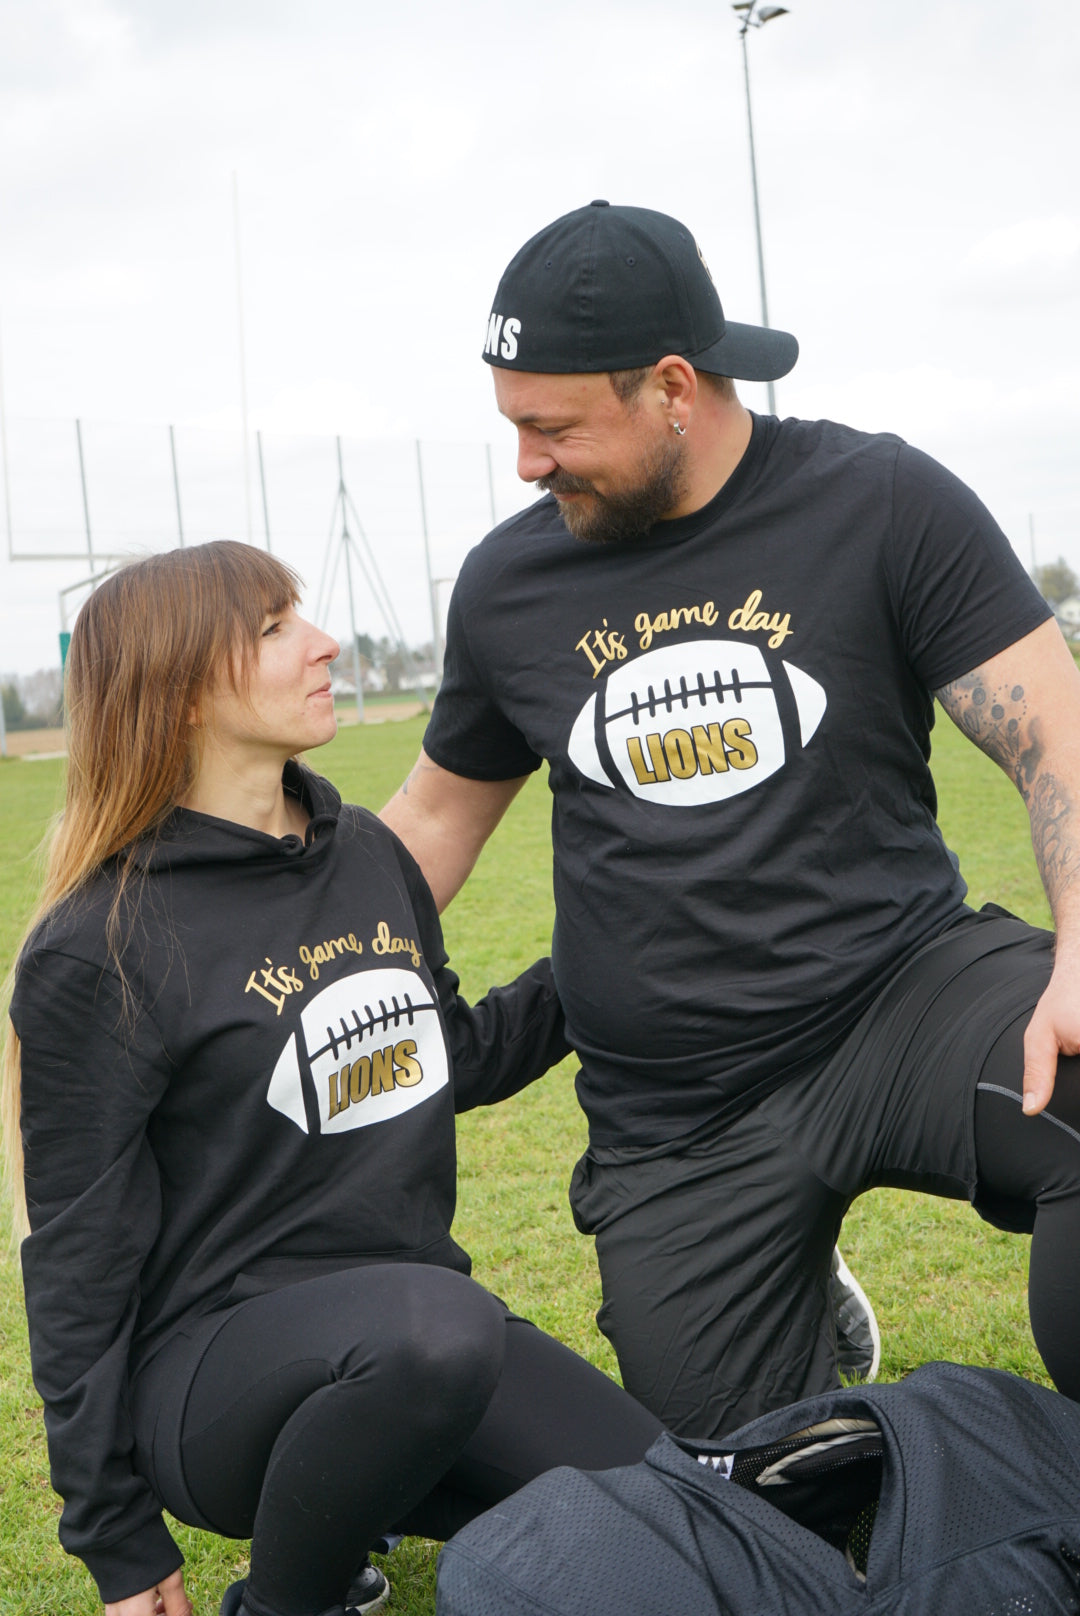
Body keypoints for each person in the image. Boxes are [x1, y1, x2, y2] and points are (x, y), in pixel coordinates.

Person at [381, 200, 1080, 1440]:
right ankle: (793, 1315)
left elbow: (1057, 739)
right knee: (746, 1491)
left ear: (670, 388)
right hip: (675, 1100)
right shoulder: (509, 583)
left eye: (552, 427)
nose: (529, 464)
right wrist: (251, 947)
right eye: (514, 428)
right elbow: (436, 818)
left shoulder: (881, 500)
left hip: (898, 993)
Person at [1, 541, 662, 1616]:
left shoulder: (362, 851)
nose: (324, 644)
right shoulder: (101, 944)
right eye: (272, 628)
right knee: (438, 1325)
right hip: (216, 1377)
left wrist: (606, 952)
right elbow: (76, 1261)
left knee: (668, 1498)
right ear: (177, 695)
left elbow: (446, 1055)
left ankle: (359, 1499)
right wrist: (115, 1536)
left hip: (413, 1342)